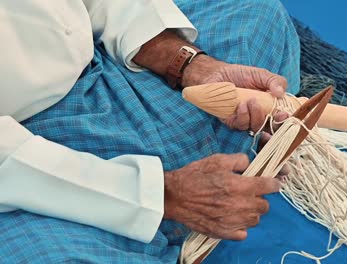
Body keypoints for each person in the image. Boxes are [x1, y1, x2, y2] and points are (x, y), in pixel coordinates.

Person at [0, 0, 300, 262]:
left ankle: (216, 168)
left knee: (256, 14)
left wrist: (188, 64)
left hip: (104, 68)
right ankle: (210, 172)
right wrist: (161, 194)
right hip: (27, 158)